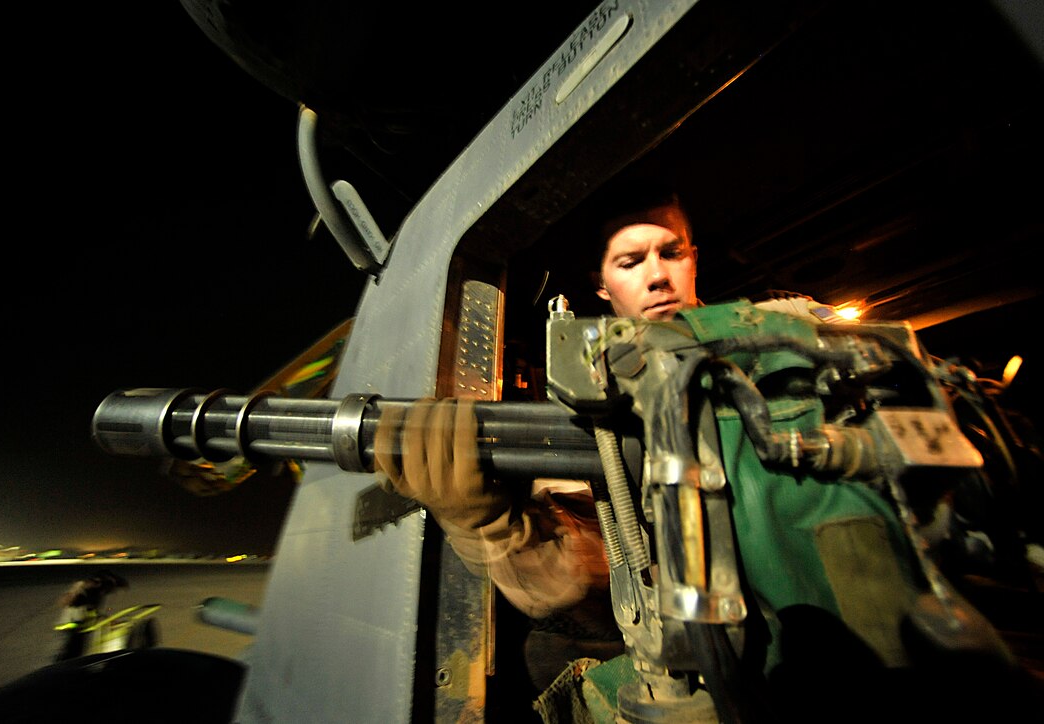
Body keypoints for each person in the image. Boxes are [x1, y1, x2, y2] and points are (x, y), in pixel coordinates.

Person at [372, 184, 1031, 721]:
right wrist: (488, 528)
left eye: (670, 251)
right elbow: (582, 577)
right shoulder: (588, 412)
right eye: (631, 262)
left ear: (693, 257)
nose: (657, 274)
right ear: (602, 288)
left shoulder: (795, 342)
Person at [53, 570, 129, 662]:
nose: (110, 592)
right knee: (68, 654)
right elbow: (66, 602)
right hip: (73, 627)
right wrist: (76, 589)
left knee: (76, 654)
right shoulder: (84, 590)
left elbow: (95, 612)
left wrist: (110, 621)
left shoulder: (95, 593)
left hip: (81, 627)